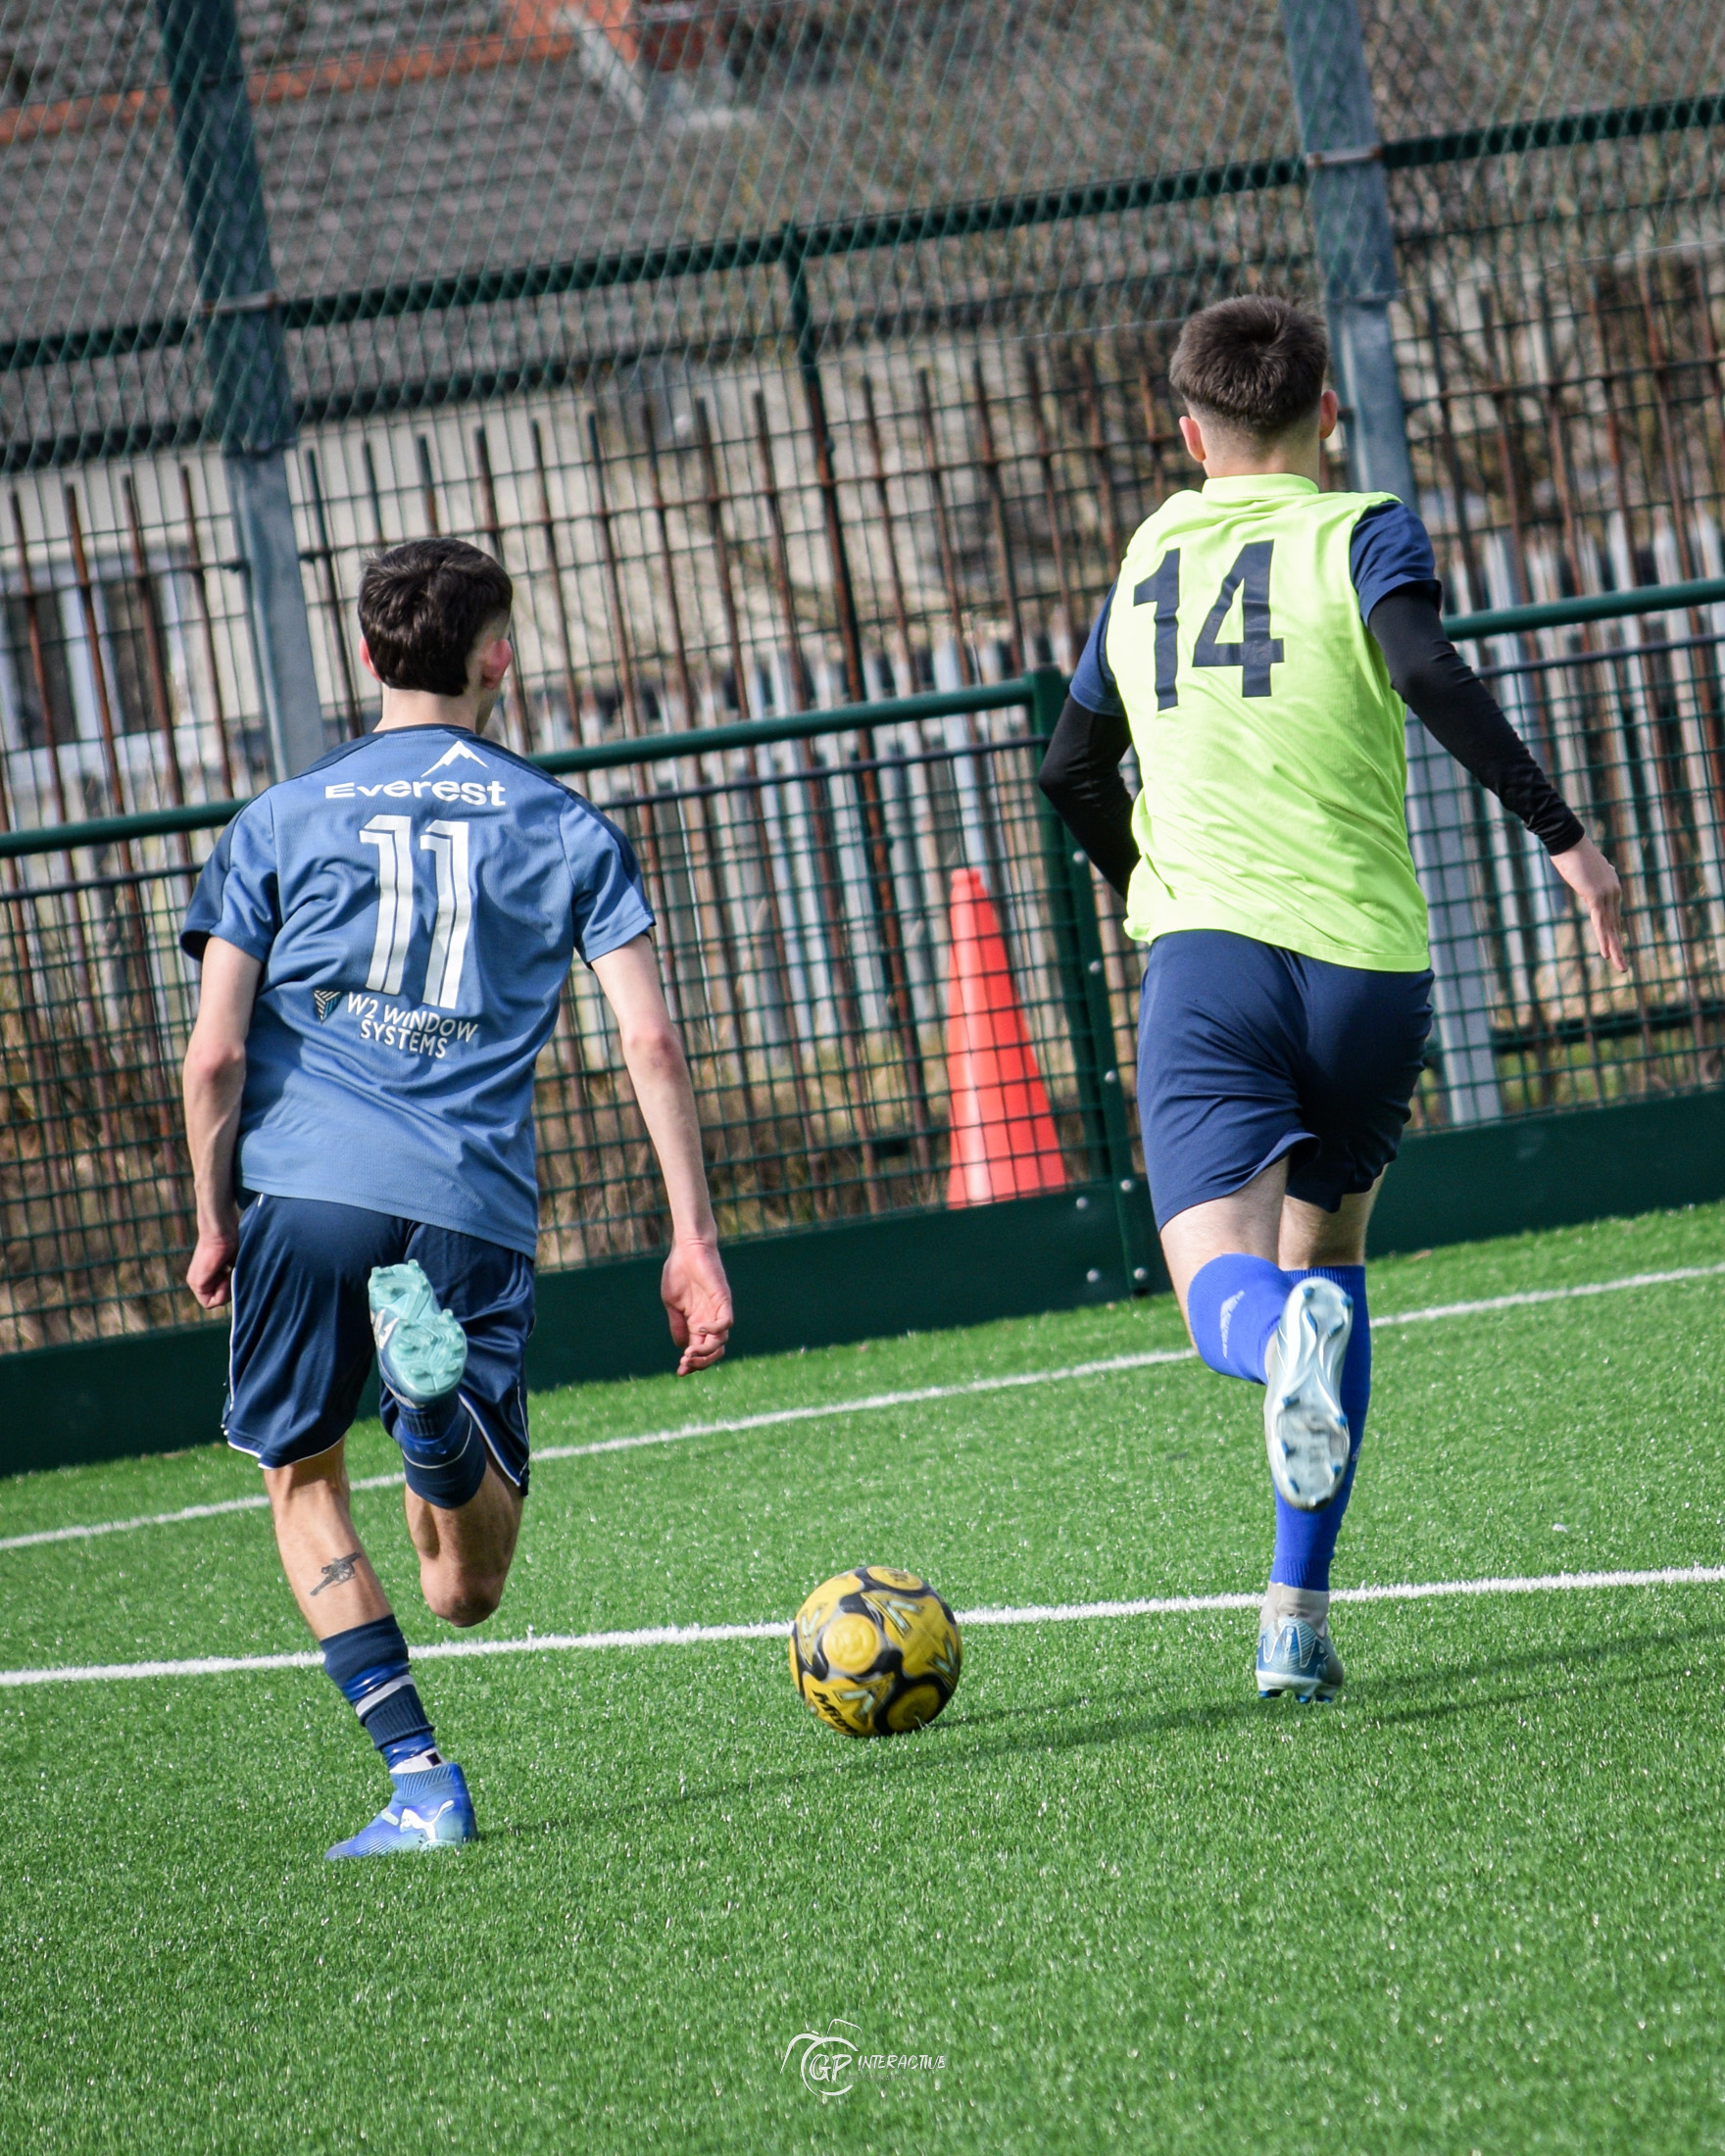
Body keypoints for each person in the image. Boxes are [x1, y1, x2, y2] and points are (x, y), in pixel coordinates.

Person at [1039, 295, 1626, 1703]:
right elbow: (1427, 671)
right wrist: (1566, 838)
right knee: (1334, 1262)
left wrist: (1150, 884)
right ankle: (1293, 1622)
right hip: (1370, 971)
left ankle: (1273, 1351)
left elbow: (1068, 767)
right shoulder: (1364, 528)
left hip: (1213, 965)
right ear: (1329, 415)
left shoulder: (1148, 552)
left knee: (1227, 1305)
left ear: (1187, 432)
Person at [179, 536, 732, 1855]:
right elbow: (651, 1042)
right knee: (471, 1583)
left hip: (301, 1196)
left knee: (304, 1482)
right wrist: (692, 1236)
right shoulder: (565, 826)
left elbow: (212, 1057)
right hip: (465, 1203)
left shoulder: (275, 821)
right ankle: (430, 1422)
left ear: (367, 659)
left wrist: (214, 1215)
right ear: (499, 658)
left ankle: (421, 1781)